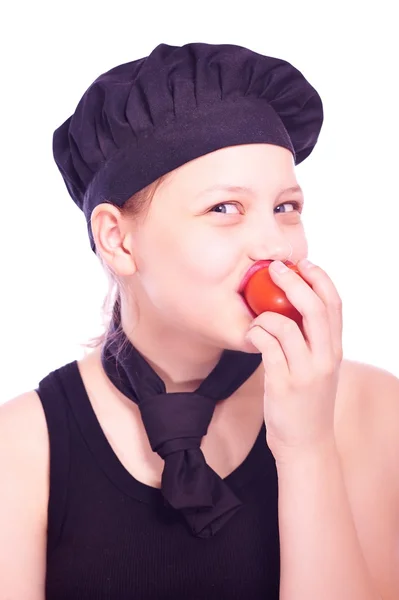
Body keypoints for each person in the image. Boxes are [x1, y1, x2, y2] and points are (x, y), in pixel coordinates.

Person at [1, 42, 398, 600]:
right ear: (117, 239)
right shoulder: (20, 446)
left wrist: (307, 448)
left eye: (285, 208)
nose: (273, 245)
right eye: (224, 209)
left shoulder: (372, 407)